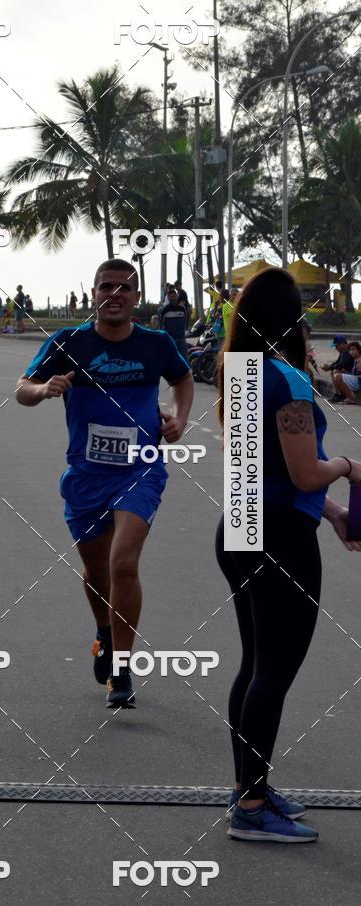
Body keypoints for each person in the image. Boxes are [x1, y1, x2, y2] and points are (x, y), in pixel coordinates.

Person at [215, 266, 361, 844]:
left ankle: (250, 786)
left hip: (242, 525)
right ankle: (251, 807)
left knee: (254, 665)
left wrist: (332, 514)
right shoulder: (292, 382)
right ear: (292, 320)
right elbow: (305, 471)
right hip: (280, 539)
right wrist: (347, 468)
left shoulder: (243, 373)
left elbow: (265, 474)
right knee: (273, 670)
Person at [16, 258, 193, 708]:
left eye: (124, 288)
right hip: (85, 476)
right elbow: (22, 389)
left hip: (141, 469)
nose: (115, 294)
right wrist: (44, 388)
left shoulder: (155, 343)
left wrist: (181, 420)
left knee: (122, 564)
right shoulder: (70, 342)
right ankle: (104, 633)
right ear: (93, 293)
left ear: (136, 298)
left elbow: (183, 378)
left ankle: (121, 668)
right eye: (106, 286)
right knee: (96, 572)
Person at [158, 286, 188, 358]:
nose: (173, 298)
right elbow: (161, 325)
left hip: (181, 339)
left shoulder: (182, 309)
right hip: (171, 339)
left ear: (177, 296)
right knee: (172, 359)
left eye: (174, 296)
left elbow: (184, 321)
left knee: (184, 360)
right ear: (168, 298)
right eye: (171, 297)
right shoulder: (165, 310)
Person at [323, 336, 354, 402]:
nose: (336, 348)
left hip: (353, 374)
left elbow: (342, 364)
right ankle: (338, 393)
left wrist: (330, 367)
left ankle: (340, 394)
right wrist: (329, 366)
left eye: (337, 346)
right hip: (348, 373)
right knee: (333, 371)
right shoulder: (343, 352)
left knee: (335, 371)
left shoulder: (347, 352)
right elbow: (337, 362)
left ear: (342, 344)